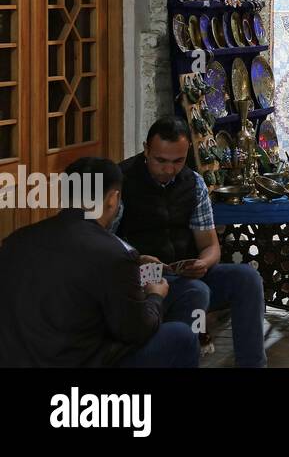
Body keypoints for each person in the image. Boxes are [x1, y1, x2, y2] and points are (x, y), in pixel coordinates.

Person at [0, 157, 199, 367]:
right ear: (113, 199)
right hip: (74, 371)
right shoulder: (112, 253)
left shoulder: (15, 240)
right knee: (181, 335)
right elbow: (136, 330)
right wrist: (155, 296)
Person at [117, 117, 267, 367]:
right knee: (197, 291)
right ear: (146, 150)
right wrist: (136, 259)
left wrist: (203, 263)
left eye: (178, 161)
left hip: (185, 272)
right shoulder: (122, 180)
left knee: (247, 279)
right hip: (141, 276)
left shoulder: (194, 182)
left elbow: (210, 245)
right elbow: (102, 242)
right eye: (160, 161)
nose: (169, 169)